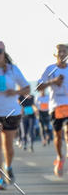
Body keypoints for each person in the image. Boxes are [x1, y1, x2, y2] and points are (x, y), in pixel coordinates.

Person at [0, 41, 29, 191]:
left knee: (9, 146)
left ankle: (8, 166)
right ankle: (0, 178)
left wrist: (15, 93)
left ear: (4, 52)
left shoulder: (13, 70)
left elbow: (27, 88)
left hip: (11, 112)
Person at [37, 43, 68, 176]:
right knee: (58, 135)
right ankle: (60, 157)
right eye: (59, 51)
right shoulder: (50, 69)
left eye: (64, 51)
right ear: (56, 54)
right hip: (55, 106)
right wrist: (53, 81)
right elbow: (39, 87)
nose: (61, 54)